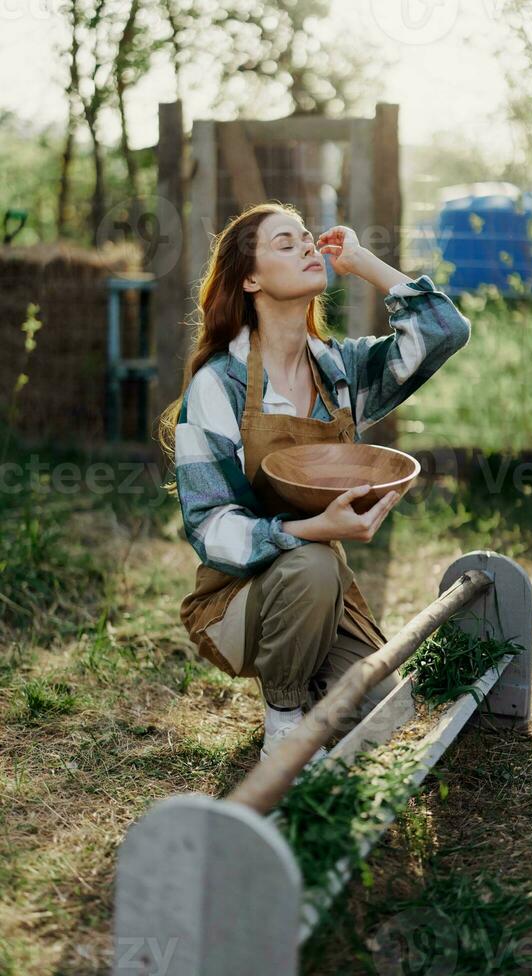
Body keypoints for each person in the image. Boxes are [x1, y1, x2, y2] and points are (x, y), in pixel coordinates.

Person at [158, 202, 471, 762]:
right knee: (313, 561)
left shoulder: (339, 371)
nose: (307, 246)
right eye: (286, 242)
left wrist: (365, 261)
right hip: (237, 600)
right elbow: (210, 529)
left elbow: (443, 330)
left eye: (308, 237)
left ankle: (307, 700)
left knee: (383, 714)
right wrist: (308, 530)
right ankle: (282, 720)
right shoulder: (218, 385)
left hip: (320, 594)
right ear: (250, 279)